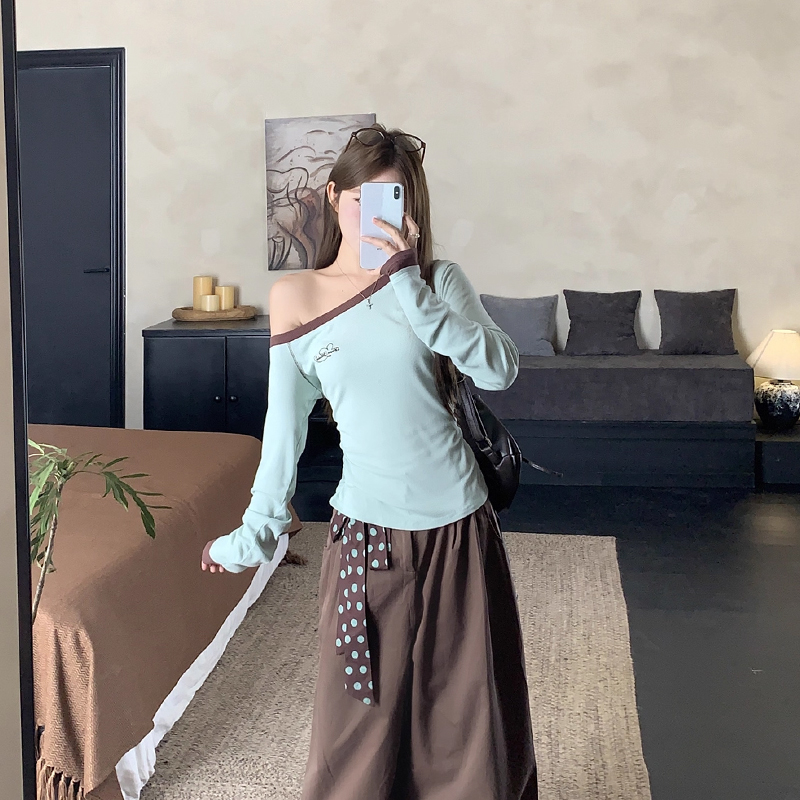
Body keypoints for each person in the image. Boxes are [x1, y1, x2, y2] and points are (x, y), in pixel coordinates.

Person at [201, 122, 539, 799]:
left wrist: (406, 282)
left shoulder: (438, 280)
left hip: (460, 533)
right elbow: (283, 428)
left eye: (395, 199)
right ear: (334, 197)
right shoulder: (296, 297)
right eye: (363, 199)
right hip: (365, 540)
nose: (377, 215)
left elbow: (500, 369)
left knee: (465, 731)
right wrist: (256, 531)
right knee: (354, 737)